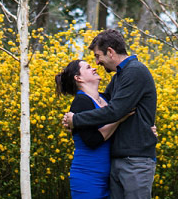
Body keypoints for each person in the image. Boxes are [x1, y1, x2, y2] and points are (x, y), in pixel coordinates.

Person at [62, 29, 157, 199]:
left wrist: (76, 120)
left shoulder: (135, 71)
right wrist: (76, 124)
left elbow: (115, 111)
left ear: (111, 52)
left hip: (135, 160)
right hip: (117, 160)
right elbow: (105, 106)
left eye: (98, 56)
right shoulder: (119, 77)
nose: (97, 63)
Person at [55, 59, 130, 199]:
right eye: (88, 67)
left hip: (109, 176)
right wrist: (118, 119)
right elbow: (92, 140)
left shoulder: (105, 98)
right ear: (78, 78)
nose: (94, 68)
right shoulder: (81, 102)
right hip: (87, 177)